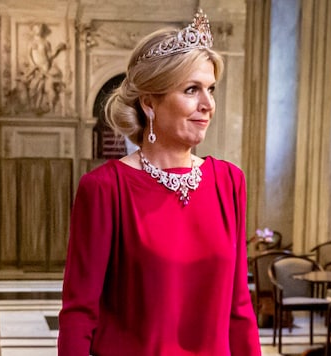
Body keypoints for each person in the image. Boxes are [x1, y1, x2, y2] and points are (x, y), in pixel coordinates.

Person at [58, 9, 261, 356]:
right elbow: (79, 313)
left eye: (210, 89)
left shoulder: (229, 182)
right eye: (191, 90)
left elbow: (238, 308)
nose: (208, 104)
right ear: (150, 102)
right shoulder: (106, 188)